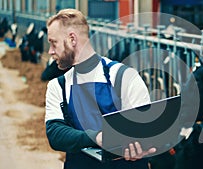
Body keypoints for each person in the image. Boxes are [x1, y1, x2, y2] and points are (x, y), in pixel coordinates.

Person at [44, 9, 156, 169]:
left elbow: (144, 129)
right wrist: (96, 137)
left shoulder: (124, 76)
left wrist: (140, 147)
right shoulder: (58, 86)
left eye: (53, 42)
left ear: (72, 39)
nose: (50, 51)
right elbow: (55, 134)